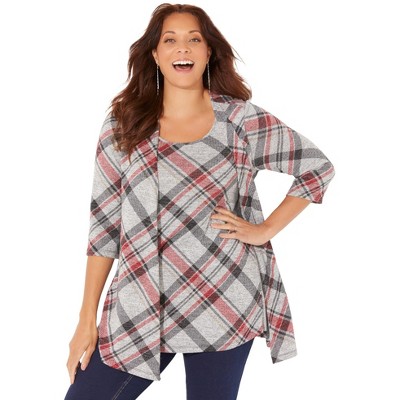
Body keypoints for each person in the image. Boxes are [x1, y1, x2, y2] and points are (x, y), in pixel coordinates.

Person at [64, 3, 335, 400]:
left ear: (208, 52)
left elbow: (317, 167)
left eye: (194, 39)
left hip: (225, 299)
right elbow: (104, 226)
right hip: (141, 304)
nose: (183, 48)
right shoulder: (123, 123)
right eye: (170, 40)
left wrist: (264, 230)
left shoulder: (239, 120)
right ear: (154, 54)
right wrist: (86, 319)